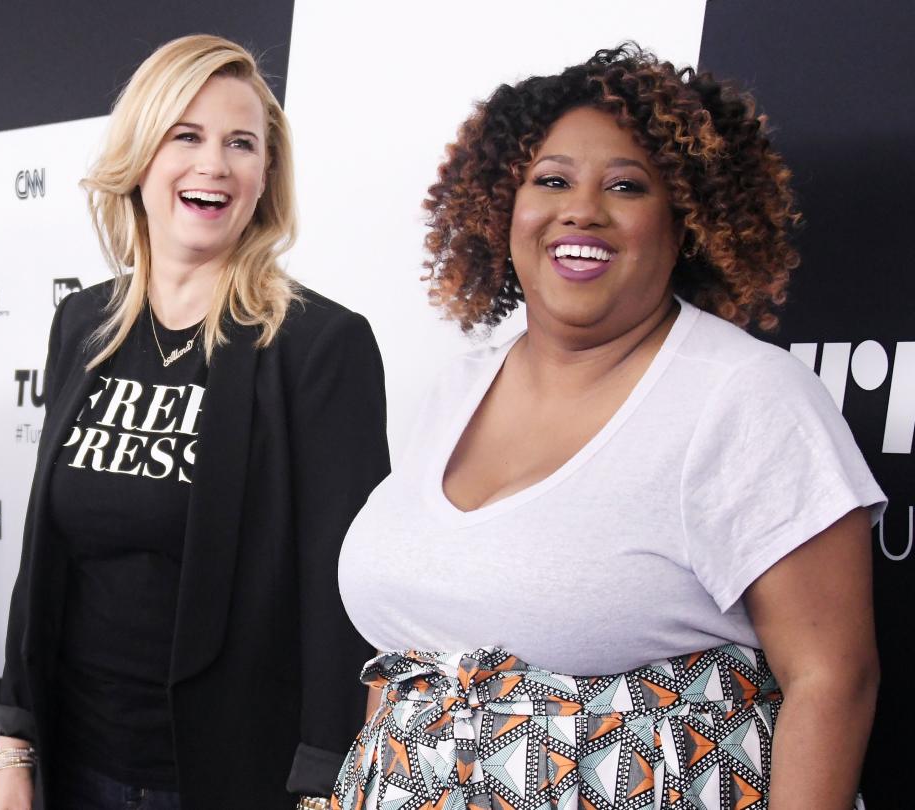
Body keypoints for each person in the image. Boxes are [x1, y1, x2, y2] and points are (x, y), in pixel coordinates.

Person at [334, 45, 884, 810]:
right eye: (550, 180)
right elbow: (409, 658)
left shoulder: (744, 395)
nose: (581, 209)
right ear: (504, 207)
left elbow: (833, 678)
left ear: (686, 220)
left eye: (626, 186)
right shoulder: (453, 391)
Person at [0, 34, 388, 810]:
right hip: (75, 760)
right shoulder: (82, 323)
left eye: (242, 143)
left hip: (231, 775)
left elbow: (341, 597)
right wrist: (13, 750)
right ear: (140, 156)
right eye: (187, 135)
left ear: (266, 176)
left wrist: (324, 786)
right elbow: (43, 559)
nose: (215, 165)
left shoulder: (318, 346)